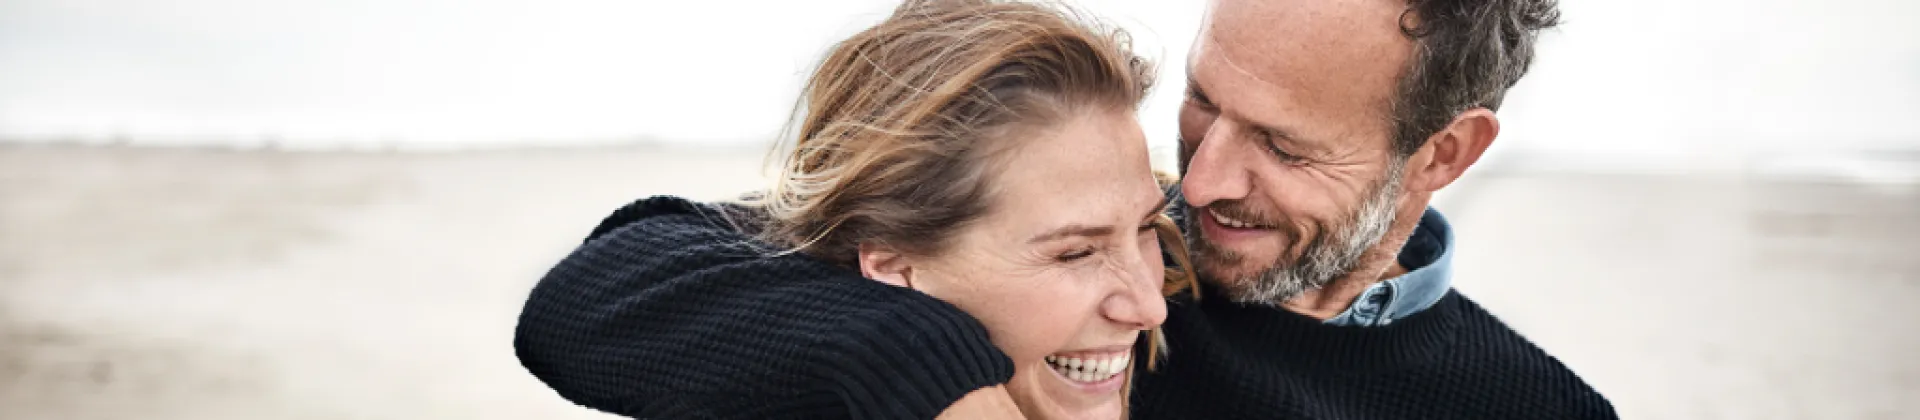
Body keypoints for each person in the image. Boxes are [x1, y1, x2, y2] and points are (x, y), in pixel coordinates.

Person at [517, 0, 1622, 418]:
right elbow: (612, 285)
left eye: (1282, 147)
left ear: (1444, 152)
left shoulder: (1536, 412)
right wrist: (926, 365)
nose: (1197, 185)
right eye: (1203, 101)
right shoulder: (1076, 266)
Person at [513, 0, 1197, 418]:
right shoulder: (795, 386)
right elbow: (592, 291)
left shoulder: (1219, 296)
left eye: (1144, 228)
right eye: (1075, 253)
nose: (1149, 305)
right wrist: (906, 353)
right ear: (894, 270)